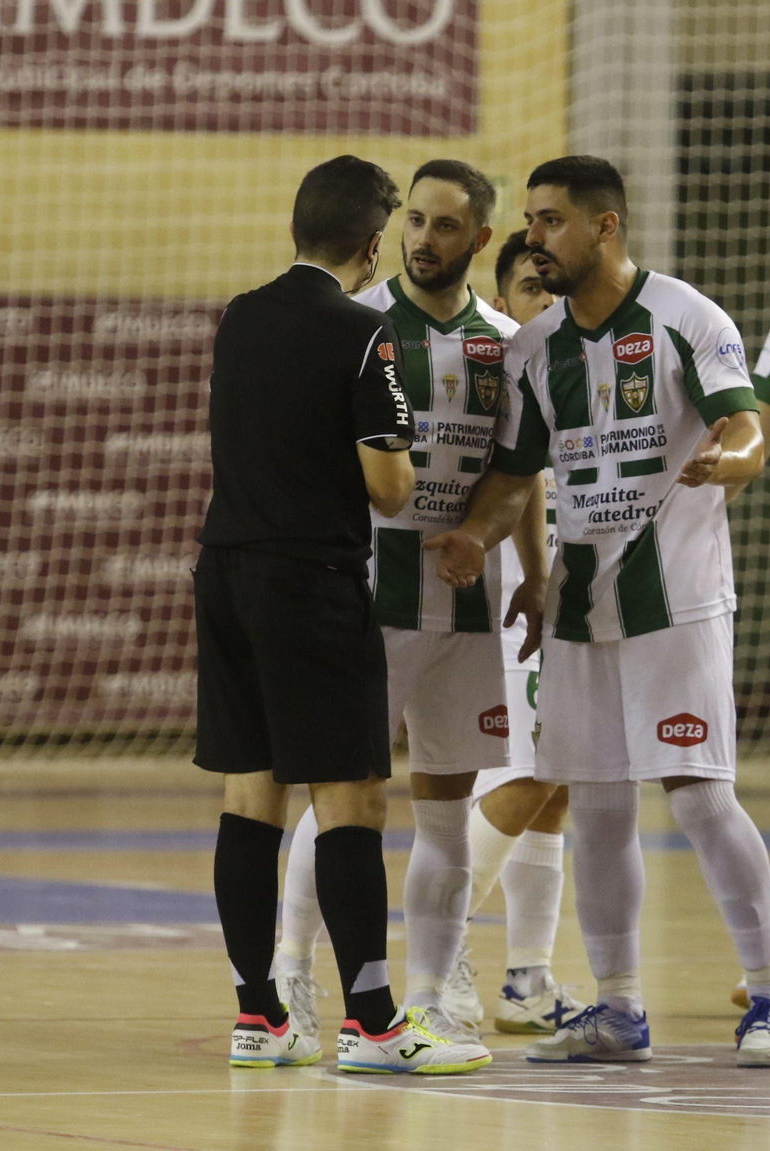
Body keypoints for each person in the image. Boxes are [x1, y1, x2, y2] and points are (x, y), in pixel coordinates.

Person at [430, 155, 770, 1067]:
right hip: (575, 608)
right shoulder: (535, 347)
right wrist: (478, 537)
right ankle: (618, 1004)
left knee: (701, 795)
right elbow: (514, 477)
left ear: (606, 227)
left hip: (675, 603)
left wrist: (741, 460)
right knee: (596, 806)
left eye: (551, 220)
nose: (533, 238)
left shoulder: (687, 317)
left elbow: (746, 418)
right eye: (528, 221)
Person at [272, 165, 572, 1055]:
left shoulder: (509, 343)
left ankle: (436, 996)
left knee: (446, 809)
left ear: (481, 239)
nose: (423, 239)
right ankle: (292, 971)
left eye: (446, 226)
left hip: (469, 602)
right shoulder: (360, 327)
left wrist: (535, 572)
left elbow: (519, 477)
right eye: (413, 220)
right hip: (364, 587)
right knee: (343, 793)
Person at [195, 155, 485, 1074]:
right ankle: (371, 1023)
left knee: (251, 791)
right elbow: (392, 488)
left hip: (227, 572)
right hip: (314, 580)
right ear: (371, 244)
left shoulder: (240, 315)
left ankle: (259, 1015)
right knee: (351, 793)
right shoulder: (365, 333)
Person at [442, 230, 584, 1035]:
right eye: (534, 288)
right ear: (503, 304)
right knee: (525, 780)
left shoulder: (582, 363)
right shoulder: (507, 368)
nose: (551, 303)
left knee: (556, 787)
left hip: (576, 604)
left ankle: (528, 977)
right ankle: (442, 947)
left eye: (559, 289)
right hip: (516, 608)